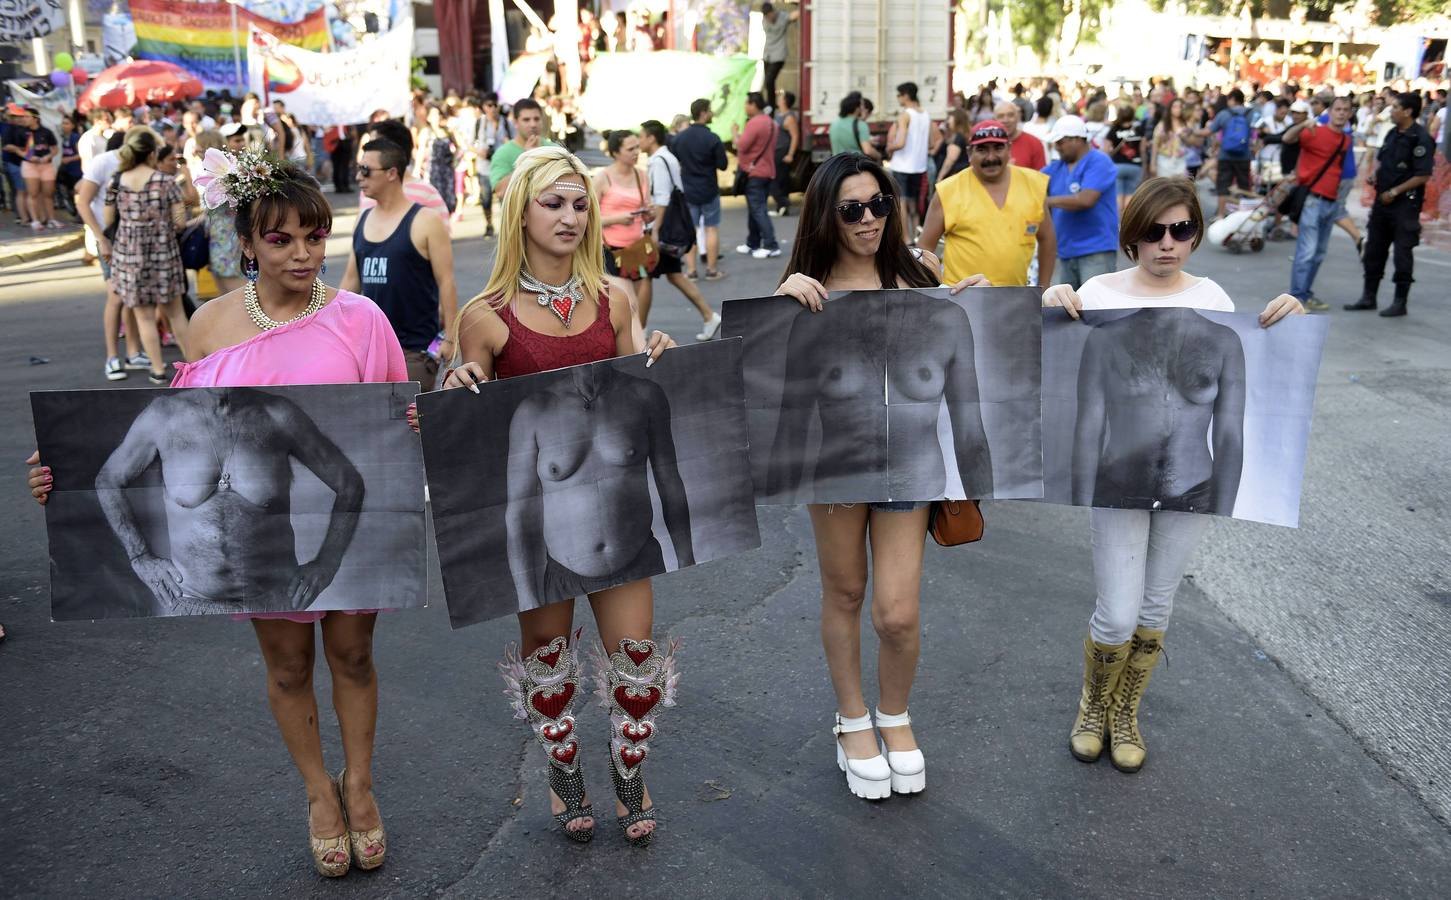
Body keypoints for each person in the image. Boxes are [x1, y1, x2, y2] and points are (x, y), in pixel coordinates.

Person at [29, 153, 406, 879]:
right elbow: (166, 434)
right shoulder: (206, 327)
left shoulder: (361, 321)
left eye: (314, 236)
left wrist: (418, 427)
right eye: (281, 239)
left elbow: (388, 430)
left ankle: (359, 787)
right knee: (288, 668)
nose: (301, 253)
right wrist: (61, 478)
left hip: (328, 554)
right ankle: (316, 795)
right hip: (246, 571)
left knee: (353, 657)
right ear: (247, 243)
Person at [440, 146, 678, 847]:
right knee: (548, 666)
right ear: (521, 212)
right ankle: (563, 769)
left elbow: (642, 387)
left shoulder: (616, 298)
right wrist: (458, 385)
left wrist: (656, 353)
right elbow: (472, 409)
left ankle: (629, 772)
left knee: (637, 667)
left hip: (625, 526)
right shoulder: (486, 316)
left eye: (580, 204)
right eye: (553, 203)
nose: (570, 217)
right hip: (545, 534)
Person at [1042, 176, 1304, 774]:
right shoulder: (1100, 295)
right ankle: (1093, 703)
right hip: (1117, 483)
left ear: (1195, 235)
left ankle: (1125, 710)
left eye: (1182, 230)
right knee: (1117, 612)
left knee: (1156, 609)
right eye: (1155, 232)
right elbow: (1084, 418)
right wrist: (1052, 298)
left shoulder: (1212, 301)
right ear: (1134, 237)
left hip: (1194, 485)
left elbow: (1232, 426)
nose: (1168, 243)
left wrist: (1288, 314)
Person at [772, 152, 988, 801]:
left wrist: (983, 312)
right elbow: (766, 400)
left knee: (896, 613)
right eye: (850, 209)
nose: (868, 219)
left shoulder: (923, 288)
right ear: (825, 217)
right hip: (835, 470)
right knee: (844, 593)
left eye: (878, 204)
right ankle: (851, 720)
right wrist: (779, 311)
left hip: (912, 472)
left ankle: (894, 714)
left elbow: (970, 408)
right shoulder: (806, 299)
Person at [340, 137, 458, 392]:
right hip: (368, 349)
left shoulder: (425, 220)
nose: (359, 177)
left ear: (392, 173)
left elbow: (446, 280)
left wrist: (449, 337)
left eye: (365, 170)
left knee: (410, 425)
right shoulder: (363, 219)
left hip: (414, 350)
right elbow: (351, 281)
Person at [919, 119, 1056, 287]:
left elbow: (1047, 239)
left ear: (1009, 149)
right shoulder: (948, 190)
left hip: (1016, 300)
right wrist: (937, 294)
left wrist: (1042, 291)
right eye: (982, 150)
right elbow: (924, 249)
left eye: (998, 148)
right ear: (969, 153)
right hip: (961, 302)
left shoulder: (1033, 184)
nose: (991, 157)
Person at [104, 127, 192, 383]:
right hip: (163, 251)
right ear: (153, 153)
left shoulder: (117, 181)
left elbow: (108, 220)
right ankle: (193, 365)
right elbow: (180, 222)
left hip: (129, 253)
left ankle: (157, 369)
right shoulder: (165, 181)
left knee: (143, 315)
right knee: (176, 313)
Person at [1346, 91, 1437, 318]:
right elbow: (1385, 162)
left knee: (1402, 253)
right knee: (1374, 249)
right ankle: (1369, 296)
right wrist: (1375, 177)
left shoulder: (1421, 138)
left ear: (1408, 111)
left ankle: (1400, 301)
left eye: (1396, 107)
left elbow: (1423, 175)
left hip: (1404, 205)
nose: (1391, 111)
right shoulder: (1392, 134)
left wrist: (1395, 191)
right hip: (1382, 202)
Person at [638, 119, 723, 338]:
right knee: (673, 275)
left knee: (646, 276)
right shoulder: (668, 157)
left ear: (651, 138)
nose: (639, 141)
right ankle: (708, 316)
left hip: (663, 228)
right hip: (668, 226)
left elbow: (663, 197)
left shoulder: (658, 160)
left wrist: (654, 229)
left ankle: (638, 330)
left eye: (641, 136)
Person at [76, 133, 148, 380]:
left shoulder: (141, 165)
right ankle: (111, 358)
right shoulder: (103, 163)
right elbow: (82, 200)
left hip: (134, 241)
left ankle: (133, 352)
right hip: (111, 239)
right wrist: (101, 238)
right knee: (116, 297)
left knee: (132, 297)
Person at [1282, 95, 1353, 312]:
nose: (1341, 113)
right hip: (1313, 200)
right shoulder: (1315, 131)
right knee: (1307, 252)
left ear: (1349, 114)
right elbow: (1288, 138)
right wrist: (1304, 123)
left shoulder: (1346, 140)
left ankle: (1305, 293)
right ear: (1329, 112)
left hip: (1331, 202)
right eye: (1337, 109)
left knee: (1319, 253)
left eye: (1345, 110)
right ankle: (1297, 298)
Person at [1043, 115, 1119, 289]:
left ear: (1077, 139)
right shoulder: (1057, 167)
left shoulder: (1099, 161)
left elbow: (1085, 200)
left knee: (1096, 309)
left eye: (1060, 142)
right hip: (1066, 250)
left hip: (1096, 249)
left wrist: (1046, 201)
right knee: (1069, 311)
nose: (1057, 147)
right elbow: (1032, 182)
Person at [672, 97, 728, 279]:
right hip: (709, 190)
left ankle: (691, 271)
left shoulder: (679, 139)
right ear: (703, 113)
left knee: (691, 230)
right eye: (710, 110)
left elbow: (675, 163)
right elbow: (723, 164)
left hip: (688, 190)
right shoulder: (712, 138)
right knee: (711, 229)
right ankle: (712, 270)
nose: (712, 113)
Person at [733, 92, 781, 259]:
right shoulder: (772, 123)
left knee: (758, 209)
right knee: (755, 208)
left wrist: (735, 133)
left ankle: (771, 245)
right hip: (768, 170)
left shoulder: (755, 123)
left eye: (746, 103)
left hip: (755, 171)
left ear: (754, 104)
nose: (745, 107)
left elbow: (742, 146)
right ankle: (752, 242)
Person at [885, 82, 930, 234]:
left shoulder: (905, 115)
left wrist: (889, 147)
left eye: (899, 95)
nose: (898, 98)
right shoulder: (925, 114)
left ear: (905, 95)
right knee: (914, 204)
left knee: (901, 203)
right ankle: (917, 238)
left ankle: (905, 238)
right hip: (919, 166)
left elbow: (901, 142)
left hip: (902, 166)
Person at [490, 99, 556, 199]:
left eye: (536, 119)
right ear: (515, 122)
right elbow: (500, 192)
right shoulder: (503, 153)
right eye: (526, 120)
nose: (533, 124)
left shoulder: (555, 150)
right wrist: (526, 160)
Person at [1209, 89, 1256, 220]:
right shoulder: (1252, 113)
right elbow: (1261, 130)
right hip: (1244, 155)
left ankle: (1220, 214)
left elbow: (1209, 130)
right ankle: (1244, 215)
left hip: (1225, 155)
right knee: (1244, 185)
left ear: (1232, 99)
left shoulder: (1224, 114)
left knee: (1223, 185)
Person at [473, 94, 512, 237]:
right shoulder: (479, 123)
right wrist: (479, 151)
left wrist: (508, 143)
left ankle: (506, 226)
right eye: (489, 105)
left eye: (495, 105)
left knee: (505, 199)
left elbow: (514, 142)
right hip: (485, 167)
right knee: (486, 199)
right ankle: (489, 224)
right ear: (484, 107)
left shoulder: (506, 122)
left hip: (503, 168)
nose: (493, 108)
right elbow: (471, 144)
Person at [17, 107, 61, 230]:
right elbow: (18, 150)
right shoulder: (21, 132)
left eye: (27, 116)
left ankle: (51, 219)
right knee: (33, 193)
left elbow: (55, 148)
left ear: (35, 118)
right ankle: (35, 220)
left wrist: (49, 156)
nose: (24, 119)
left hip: (46, 165)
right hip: (30, 166)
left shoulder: (46, 132)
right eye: (23, 117)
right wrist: (29, 157)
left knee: (48, 193)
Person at [418, 104, 459, 214]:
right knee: (434, 201)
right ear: (428, 118)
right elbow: (421, 151)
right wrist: (417, 169)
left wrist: (455, 159)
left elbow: (458, 146)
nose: (437, 117)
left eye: (438, 114)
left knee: (448, 201)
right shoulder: (426, 132)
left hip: (447, 170)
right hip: (433, 171)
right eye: (434, 114)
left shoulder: (447, 131)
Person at [1105, 105, 1146, 213]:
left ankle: (1118, 224)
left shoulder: (1114, 129)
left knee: (1118, 196)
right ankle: (1126, 222)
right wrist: (1145, 165)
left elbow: (1106, 149)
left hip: (1117, 165)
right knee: (1130, 196)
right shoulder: (1138, 128)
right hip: (1135, 166)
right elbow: (1142, 149)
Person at [759, 2, 799, 109]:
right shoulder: (764, 21)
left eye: (770, 15)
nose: (769, 18)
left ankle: (770, 106)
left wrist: (801, 5)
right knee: (767, 84)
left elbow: (794, 15)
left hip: (779, 56)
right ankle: (770, 104)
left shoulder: (782, 17)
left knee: (770, 80)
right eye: (766, 16)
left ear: (773, 11)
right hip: (767, 54)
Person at [994, 99, 1047, 171]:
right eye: (1001, 116)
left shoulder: (1034, 143)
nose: (1006, 120)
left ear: (1018, 117)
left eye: (1010, 115)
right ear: (994, 120)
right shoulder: (987, 145)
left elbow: (1041, 177)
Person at [771, 90, 801, 215]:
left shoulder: (789, 117)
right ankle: (781, 207)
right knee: (777, 178)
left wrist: (790, 154)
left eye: (781, 97)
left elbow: (795, 136)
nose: (778, 99)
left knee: (780, 179)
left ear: (785, 101)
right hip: (775, 150)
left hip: (783, 151)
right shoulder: (778, 114)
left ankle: (783, 205)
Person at [829, 92, 880, 159]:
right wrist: (879, 156)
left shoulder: (834, 124)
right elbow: (868, 151)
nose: (863, 108)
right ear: (857, 108)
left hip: (838, 164)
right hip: (854, 165)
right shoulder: (861, 125)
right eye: (862, 105)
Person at [932, 108, 971, 184]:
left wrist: (940, 177)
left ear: (957, 120)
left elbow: (950, 159)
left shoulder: (958, 138)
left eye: (949, 118)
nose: (947, 121)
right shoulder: (955, 136)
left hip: (952, 175)